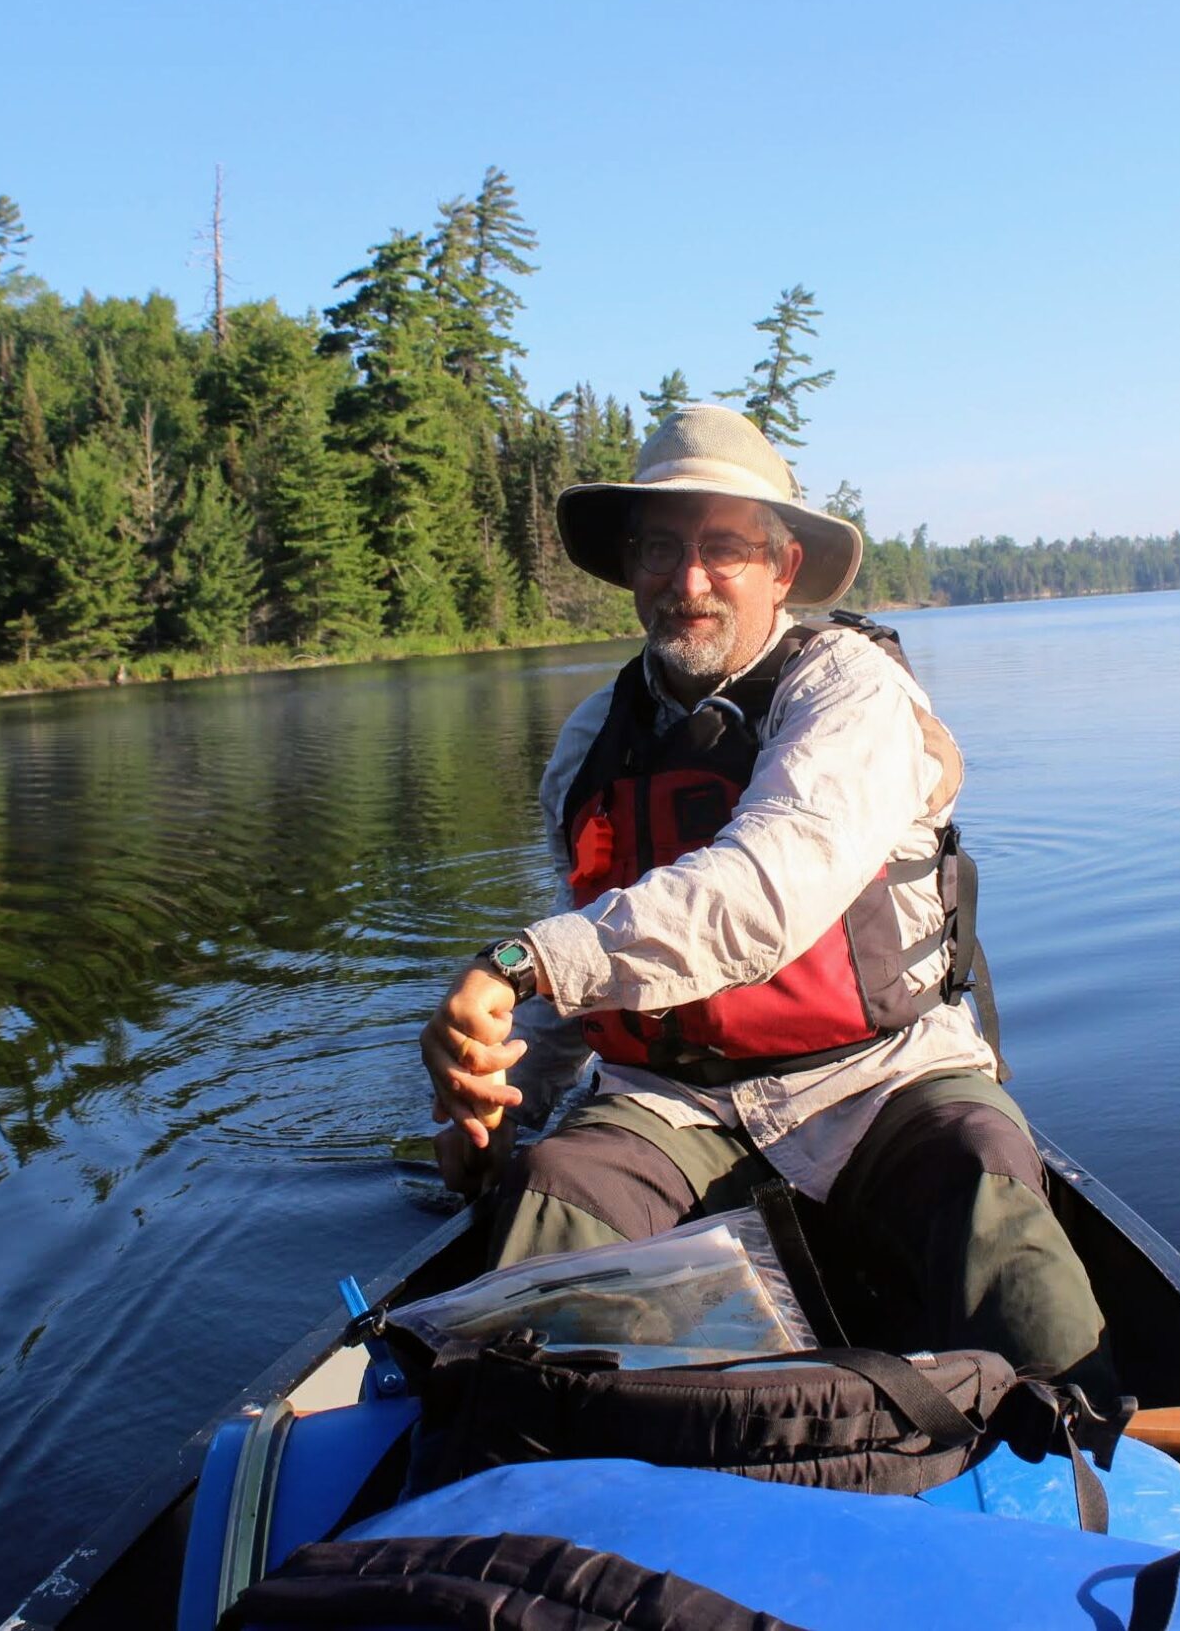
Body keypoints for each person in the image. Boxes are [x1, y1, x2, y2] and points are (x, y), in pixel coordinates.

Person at [416, 405, 1108, 1385]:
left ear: (782, 568)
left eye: (724, 548)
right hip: (669, 1103)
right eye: (660, 547)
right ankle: (562, 1472)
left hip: (881, 1080)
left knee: (981, 1168)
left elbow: (767, 890)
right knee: (553, 1193)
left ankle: (1081, 1436)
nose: (687, 581)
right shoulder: (586, 746)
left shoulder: (850, 693)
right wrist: (493, 1111)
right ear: (628, 567)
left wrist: (515, 967)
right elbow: (591, 961)